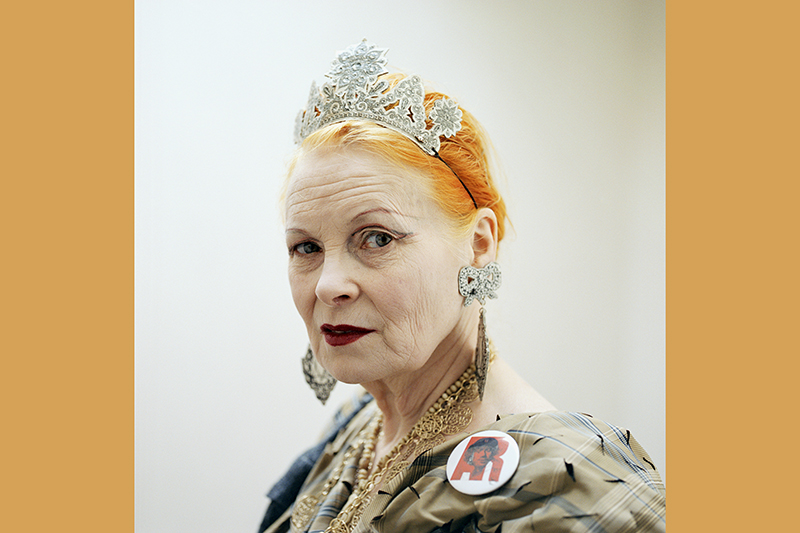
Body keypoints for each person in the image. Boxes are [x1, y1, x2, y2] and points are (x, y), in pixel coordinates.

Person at [260, 40, 665, 533]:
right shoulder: (358, 427)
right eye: (306, 247)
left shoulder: (563, 490)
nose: (329, 285)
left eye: (376, 238)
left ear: (478, 244)